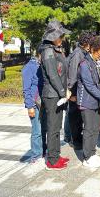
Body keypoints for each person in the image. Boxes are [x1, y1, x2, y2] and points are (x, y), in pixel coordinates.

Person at [40, 20, 71, 171]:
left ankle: (56, 154)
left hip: (57, 94)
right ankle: (52, 160)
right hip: (52, 95)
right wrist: (62, 93)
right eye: (60, 35)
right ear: (53, 36)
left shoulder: (55, 49)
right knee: (52, 128)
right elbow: (52, 75)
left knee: (57, 126)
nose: (62, 38)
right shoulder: (48, 51)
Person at [77, 36, 100, 168]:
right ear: (93, 50)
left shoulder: (99, 62)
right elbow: (89, 86)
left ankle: (93, 152)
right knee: (89, 129)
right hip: (87, 101)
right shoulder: (84, 64)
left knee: (96, 128)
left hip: (97, 101)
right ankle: (87, 157)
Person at [66, 31, 94, 150]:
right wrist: (70, 90)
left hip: (79, 87)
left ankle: (78, 138)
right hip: (74, 87)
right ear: (86, 43)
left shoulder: (83, 52)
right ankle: (75, 140)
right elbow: (72, 73)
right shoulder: (78, 54)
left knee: (79, 116)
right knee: (75, 115)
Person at [21, 48, 46, 164]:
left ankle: (43, 151)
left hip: (43, 102)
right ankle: (36, 155)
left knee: (43, 129)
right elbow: (26, 89)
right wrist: (29, 106)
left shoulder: (41, 65)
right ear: (39, 54)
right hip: (34, 103)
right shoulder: (29, 67)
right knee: (37, 130)